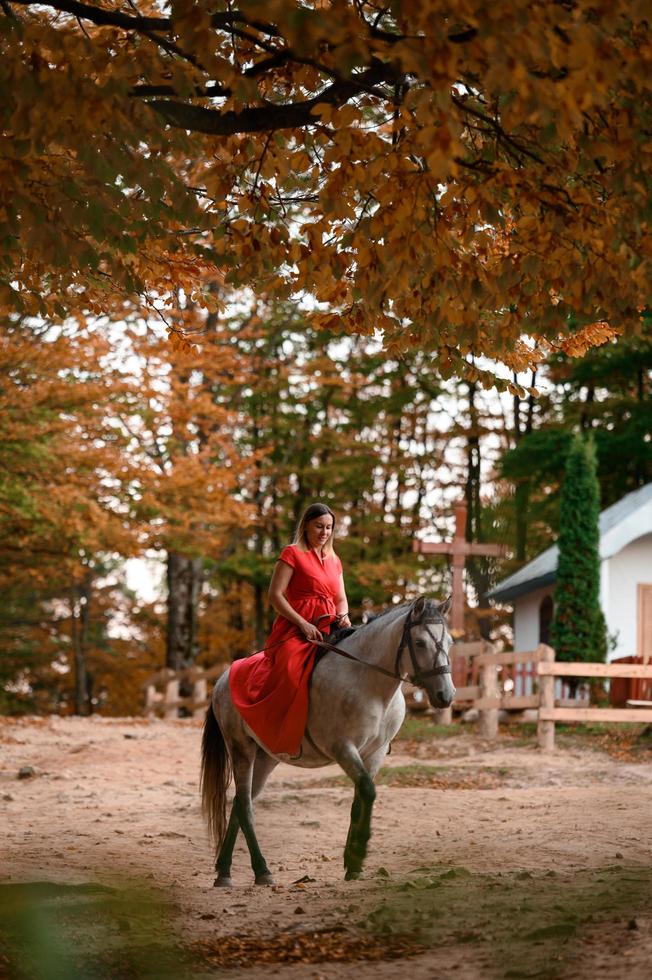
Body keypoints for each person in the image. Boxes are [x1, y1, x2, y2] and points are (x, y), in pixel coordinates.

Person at [229, 503, 351, 756]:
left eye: (328, 527)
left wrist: (344, 615)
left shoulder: (334, 560)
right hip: (296, 626)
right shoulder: (292, 553)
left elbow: (340, 597)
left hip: (329, 625)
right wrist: (302, 623)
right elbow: (275, 595)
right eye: (318, 526)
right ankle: (280, 730)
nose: (324, 532)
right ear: (305, 525)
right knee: (290, 667)